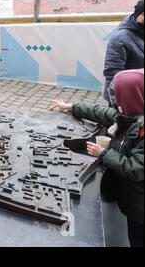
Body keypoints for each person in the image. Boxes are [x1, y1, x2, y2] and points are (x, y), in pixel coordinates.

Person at [50, 69, 144, 247]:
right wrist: (72, 107)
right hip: (134, 201)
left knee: (137, 237)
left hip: (140, 209)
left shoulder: (141, 129)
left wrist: (103, 153)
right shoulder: (131, 116)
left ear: (132, 97)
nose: (114, 99)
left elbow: (137, 168)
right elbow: (103, 113)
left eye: (118, 95)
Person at [103, 0, 144, 104]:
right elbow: (113, 73)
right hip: (125, 97)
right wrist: (118, 100)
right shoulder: (120, 38)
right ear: (137, 15)